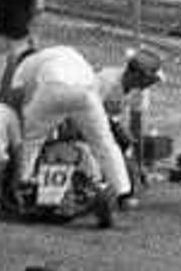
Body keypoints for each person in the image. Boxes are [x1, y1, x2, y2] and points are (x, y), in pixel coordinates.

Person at [9, 39, 130, 221]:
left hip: (53, 88)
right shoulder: (65, 53)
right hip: (86, 91)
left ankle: (23, 185)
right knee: (104, 143)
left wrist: (24, 125)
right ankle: (123, 192)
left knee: (32, 140)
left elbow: (16, 101)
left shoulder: (23, 66)